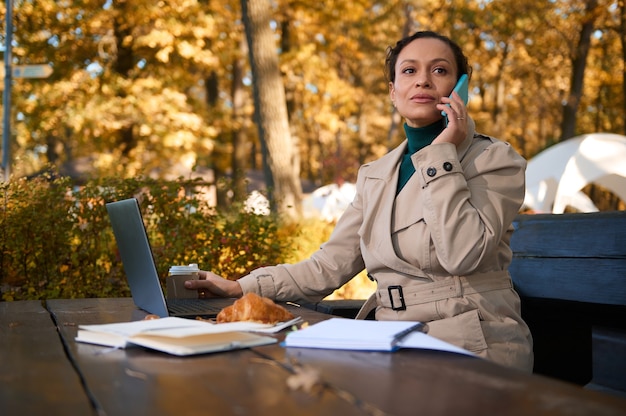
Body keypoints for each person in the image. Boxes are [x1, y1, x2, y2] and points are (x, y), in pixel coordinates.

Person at [186, 30, 534, 372]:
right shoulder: (376, 174)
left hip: (473, 343)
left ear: (461, 89)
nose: (423, 81)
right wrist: (240, 287)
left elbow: (462, 254)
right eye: (409, 71)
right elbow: (331, 265)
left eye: (439, 70)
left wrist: (442, 151)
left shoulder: (494, 160)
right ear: (392, 91)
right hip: (390, 338)